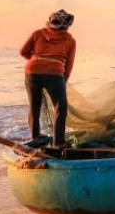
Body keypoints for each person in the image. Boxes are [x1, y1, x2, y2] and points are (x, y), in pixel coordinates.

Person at [19, 9, 76, 147]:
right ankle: (59, 142)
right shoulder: (70, 40)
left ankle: (36, 138)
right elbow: (69, 65)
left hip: (32, 72)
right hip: (55, 73)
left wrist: (37, 60)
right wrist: (63, 79)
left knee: (34, 106)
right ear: (67, 25)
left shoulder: (37, 33)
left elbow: (23, 52)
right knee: (60, 108)